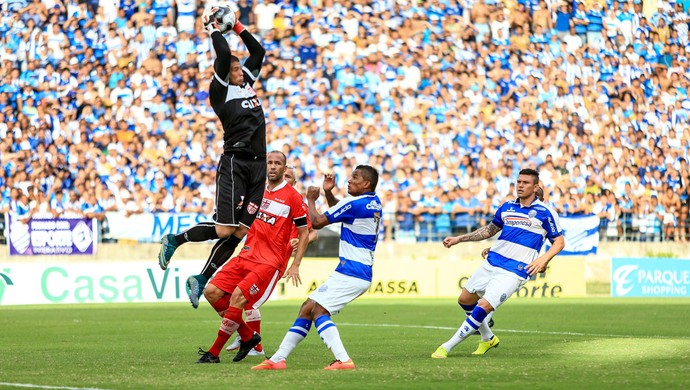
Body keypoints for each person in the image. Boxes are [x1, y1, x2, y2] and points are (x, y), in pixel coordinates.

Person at [157, 6, 268, 309]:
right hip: (235, 162)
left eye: (239, 70)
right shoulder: (220, 93)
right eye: (234, 70)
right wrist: (214, 29)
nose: (240, 72)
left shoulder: (245, 83)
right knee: (223, 230)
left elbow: (258, 53)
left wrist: (238, 27)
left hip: (260, 165)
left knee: (241, 232)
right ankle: (175, 240)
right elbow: (222, 56)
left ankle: (201, 278)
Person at [252, 165, 382, 371]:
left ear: (366, 183)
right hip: (355, 271)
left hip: (352, 272)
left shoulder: (355, 204)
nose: (349, 180)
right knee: (308, 307)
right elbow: (343, 212)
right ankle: (278, 359)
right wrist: (329, 193)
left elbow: (318, 221)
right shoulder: (371, 202)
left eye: (354, 177)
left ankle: (343, 360)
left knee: (319, 310)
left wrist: (311, 199)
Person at [432, 169, 564, 358]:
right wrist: (459, 239)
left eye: (525, 183)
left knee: (483, 306)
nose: (520, 185)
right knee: (464, 300)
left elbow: (559, 242)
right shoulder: (507, 207)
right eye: (518, 182)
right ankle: (488, 338)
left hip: (515, 270)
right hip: (492, 262)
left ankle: (446, 347)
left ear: (536, 187)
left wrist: (543, 259)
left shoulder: (546, 213)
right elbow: (489, 231)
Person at [196, 151, 311, 364]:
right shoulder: (255, 191)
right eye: (269, 163)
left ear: (284, 168)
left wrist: (295, 264)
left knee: (238, 298)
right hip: (246, 255)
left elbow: (305, 232)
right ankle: (248, 337)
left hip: (269, 262)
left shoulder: (293, 197)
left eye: (278, 164)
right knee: (211, 292)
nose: (273, 167)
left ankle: (214, 353)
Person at [225, 164, 318, 355]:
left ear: (294, 181)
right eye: (285, 175)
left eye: (290, 176)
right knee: (242, 299)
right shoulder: (268, 197)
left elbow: (311, 233)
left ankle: (251, 342)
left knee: (249, 301)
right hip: (256, 257)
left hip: (275, 261)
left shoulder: (295, 202)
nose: (286, 178)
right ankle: (249, 340)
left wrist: (297, 242)